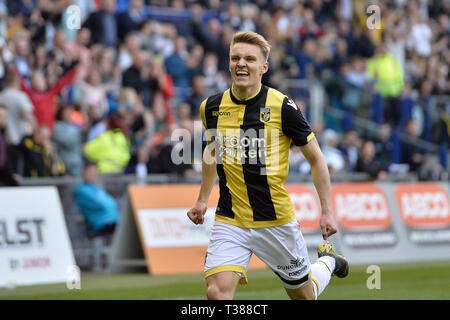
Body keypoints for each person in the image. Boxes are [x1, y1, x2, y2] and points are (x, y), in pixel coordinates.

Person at [187, 31, 348, 300]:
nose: (241, 64)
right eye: (235, 57)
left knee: (304, 297)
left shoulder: (283, 107)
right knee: (216, 293)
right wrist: (202, 200)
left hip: (275, 221)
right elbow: (211, 153)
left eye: (249, 59)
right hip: (231, 219)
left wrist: (327, 211)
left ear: (264, 67)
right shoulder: (211, 108)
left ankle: (328, 261)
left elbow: (317, 159)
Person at [73, 161, 119, 234]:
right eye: (90, 171)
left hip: (113, 221)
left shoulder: (98, 188)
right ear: (84, 172)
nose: (93, 174)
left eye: (95, 171)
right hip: (101, 224)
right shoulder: (80, 190)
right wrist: (109, 205)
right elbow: (102, 204)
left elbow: (112, 203)